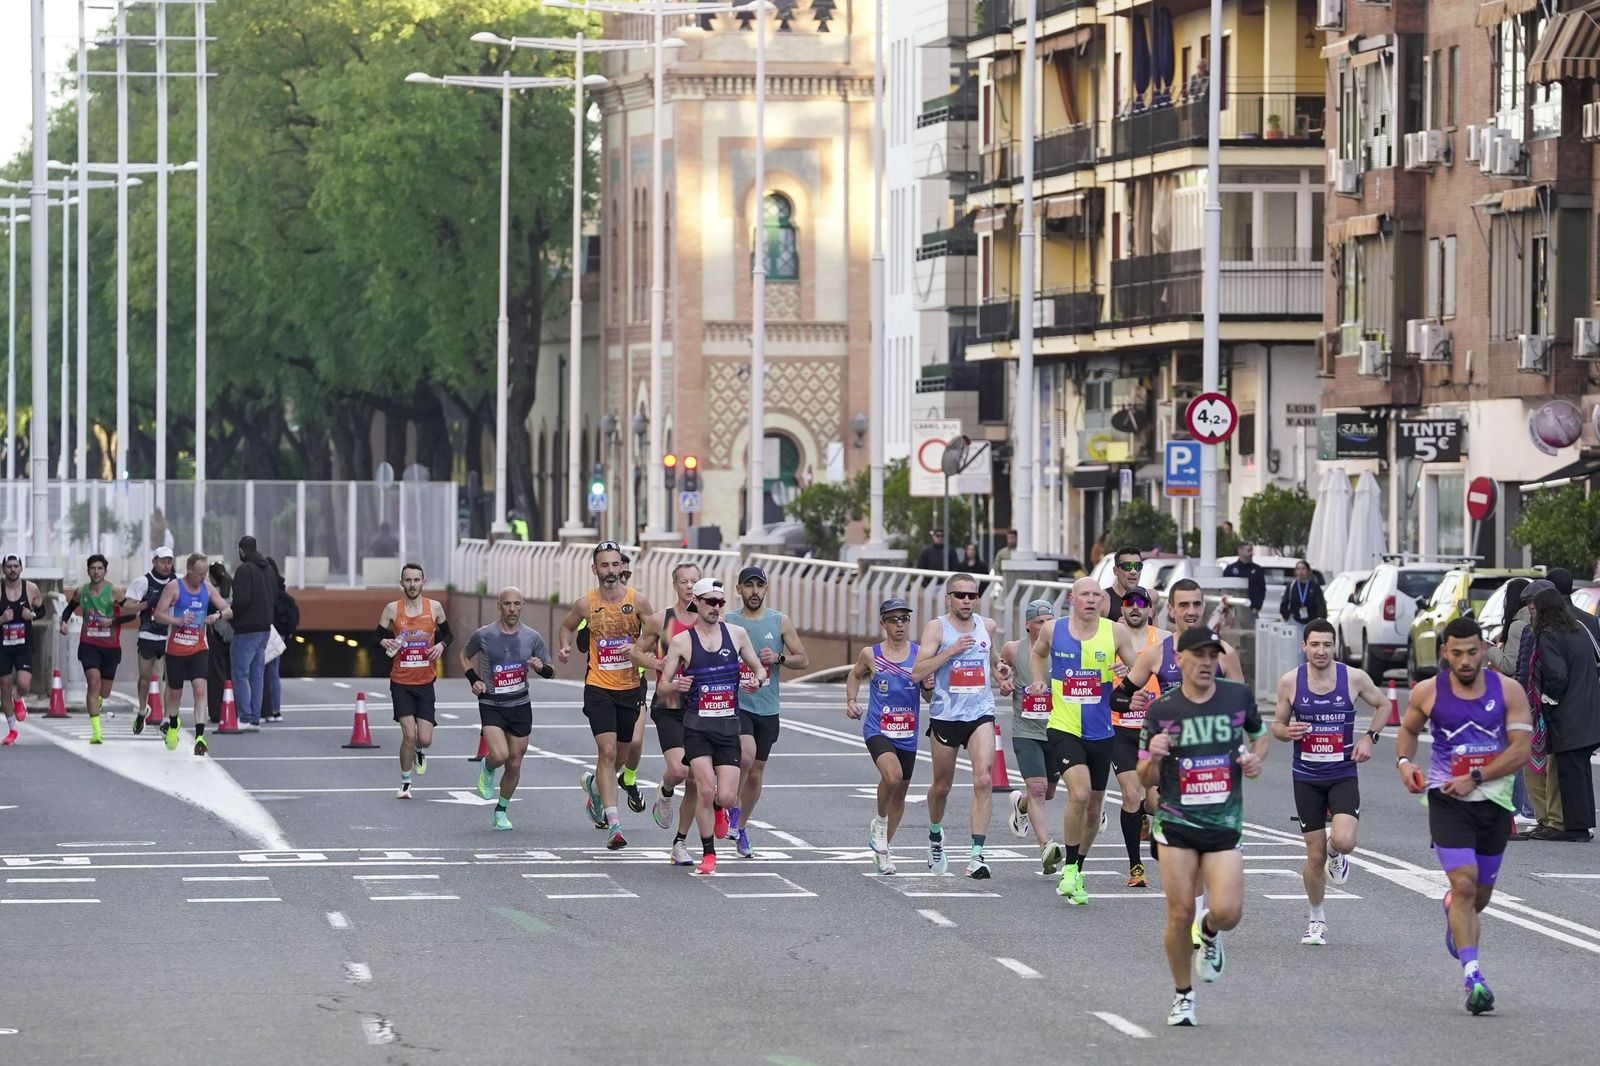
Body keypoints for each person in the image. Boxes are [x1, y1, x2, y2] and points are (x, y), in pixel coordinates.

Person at [1395, 617, 1533, 1015]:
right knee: (1465, 884)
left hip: (1494, 803)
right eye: (1457, 653)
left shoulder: (1508, 690)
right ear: (1445, 652)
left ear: (1484, 649)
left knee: (1479, 897)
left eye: (1473, 652)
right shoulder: (1428, 691)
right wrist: (1405, 762)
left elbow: (1521, 749)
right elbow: (1408, 730)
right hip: (1447, 800)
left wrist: (1476, 777)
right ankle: (1473, 977)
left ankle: (1453, 908)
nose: (1466, 660)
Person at [1138, 626, 1269, 1027]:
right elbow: (1144, 778)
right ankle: (1183, 995)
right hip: (1176, 823)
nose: (1207, 662)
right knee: (1179, 914)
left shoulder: (1237, 696)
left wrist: (1254, 759)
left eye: (1213, 655)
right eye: (1199, 655)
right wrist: (1153, 757)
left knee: (1227, 911)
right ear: (1180, 659)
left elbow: (1260, 737)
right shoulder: (1162, 710)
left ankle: (1209, 932)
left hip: (1223, 821)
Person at [1271, 619, 1389, 945]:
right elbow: (1277, 726)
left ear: (1334, 646)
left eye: (1327, 644)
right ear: (1304, 646)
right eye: (1315, 645)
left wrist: (1369, 738)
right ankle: (1316, 919)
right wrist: (1287, 731)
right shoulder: (1290, 682)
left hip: (1342, 773)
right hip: (1306, 776)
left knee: (1344, 841)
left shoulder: (1353, 678)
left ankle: (1337, 853)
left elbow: (1383, 705)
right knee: (1314, 857)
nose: (1321, 651)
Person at [1029, 577, 1140, 904]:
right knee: (1078, 793)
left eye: (1096, 595)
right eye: (1085, 595)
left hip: (1102, 731)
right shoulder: (1053, 629)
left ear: (1102, 601)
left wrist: (1126, 675)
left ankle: (1076, 869)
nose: (1091, 600)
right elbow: (1038, 655)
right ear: (1072, 599)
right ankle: (1068, 870)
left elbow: (1139, 669)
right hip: (1064, 726)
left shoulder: (1115, 632)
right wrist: (1038, 680)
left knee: (1094, 809)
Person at [657, 577, 766, 875]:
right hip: (697, 728)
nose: (716, 607)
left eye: (720, 602)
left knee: (727, 796)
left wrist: (757, 681)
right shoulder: (682, 641)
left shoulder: (737, 635)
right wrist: (675, 685)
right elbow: (662, 687)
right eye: (710, 602)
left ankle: (720, 809)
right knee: (705, 789)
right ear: (697, 602)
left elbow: (758, 668)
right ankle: (708, 854)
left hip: (728, 727)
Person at [912, 573, 1013, 879]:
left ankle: (977, 855)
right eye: (960, 595)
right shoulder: (936, 628)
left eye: (972, 595)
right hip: (946, 715)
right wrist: (950, 651)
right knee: (942, 786)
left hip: (979, 713)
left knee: (983, 779)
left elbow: (991, 657)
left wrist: (1000, 671)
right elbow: (917, 672)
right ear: (949, 598)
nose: (967, 601)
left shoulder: (987, 625)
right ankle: (935, 835)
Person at [557, 541, 654, 850]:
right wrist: (565, 645)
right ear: (594, 569)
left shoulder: (638, 602)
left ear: (621, 567)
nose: (610, 571)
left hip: (630, 687)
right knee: (608, 752)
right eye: (604, 565)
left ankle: (595, 788)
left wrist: (638, 650)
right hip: (599, 686)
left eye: (615, 564)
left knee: (621, 756)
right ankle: (615, 825)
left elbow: (655, 636)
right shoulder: (585, 603)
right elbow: (567, 626)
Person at [724, 564, 810, 858]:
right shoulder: (728, 622)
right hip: (737, 703)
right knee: (745, 755)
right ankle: (732, 809)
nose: (754, 591)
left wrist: (779, 657)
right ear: (739, 589)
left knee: (756, 772)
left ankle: (741, 826)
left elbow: (803, 660)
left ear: (766, 589)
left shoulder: (779, 621)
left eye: (759, 585)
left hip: (768, 706)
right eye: (748, 586)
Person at [846, 599, 934, 874]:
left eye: (904, 619)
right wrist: (851, 700)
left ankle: (883, 850)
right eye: (893, 619)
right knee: (892, 776)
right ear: (883, 623)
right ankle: (880, 823)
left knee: (900, 794)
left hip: (907, 733)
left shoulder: (920, 655)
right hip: (878, 729)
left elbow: (928, 697)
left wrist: (929, 687)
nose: (899, 624)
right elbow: (854, 675)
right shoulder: (871, 654)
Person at [460, 587, 554, 830]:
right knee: (500, 755)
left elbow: (551, 670)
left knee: (514, 763)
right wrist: (474, 680)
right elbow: (464, 656)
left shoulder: (532, 637)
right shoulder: (484, 634)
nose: (512, 609)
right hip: (491, 703)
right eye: (507, 604)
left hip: (520, 704)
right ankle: (488, 765)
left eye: (517, 604)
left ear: (523, 605)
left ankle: (501, 810)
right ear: (499, 605)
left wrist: (540, 667)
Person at [628, 561, 701, 855]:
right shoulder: (661, 620)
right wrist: (658, 664)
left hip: (701, 707)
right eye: (684, 581)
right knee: (679, 770)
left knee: (695, 779)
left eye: (694, 581)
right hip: (668, 704)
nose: (690, 587)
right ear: (675, 586)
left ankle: (680, 842)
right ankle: (666, 790)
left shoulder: (710, 621)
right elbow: (636, 652)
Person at [1527, 586, 1600, 842]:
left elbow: (1557, 674)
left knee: (1568, 771)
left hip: (1568, 713)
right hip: (1589, 709)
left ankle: (1574, 828)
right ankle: (1582, 824)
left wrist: (1549, 698)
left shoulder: (1548, 634)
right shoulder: (1578, 629)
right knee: (1580, 770)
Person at [1001, 600, 1068, 875]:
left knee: (1047, 792)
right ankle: (1046, 847)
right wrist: (1004, 681)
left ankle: (1021, 804)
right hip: (1025, 730)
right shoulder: (1013, 649)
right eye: (1040, 622)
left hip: (1056, 729)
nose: (1045, 626)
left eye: (1050, 621)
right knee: (1038, 788)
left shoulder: (1064, 648)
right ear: (1028, 624)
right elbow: (1002, 670)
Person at [375, 563, 452, 800]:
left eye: (416, 580)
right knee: (409, 734)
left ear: (423, 582)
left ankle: (419, 751)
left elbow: (449, 634)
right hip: (401, 681)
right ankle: (406, 782)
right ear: (401, 583)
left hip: (425, 681)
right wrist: (384, 641)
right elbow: (377, 635)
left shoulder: (434, 607)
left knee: (424, 739)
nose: (412, 585)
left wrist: (441, 645)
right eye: (408, 580)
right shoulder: (392, 609)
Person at [1108, 587, 1163, 888]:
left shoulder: (1164, 641)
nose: (1135, 608)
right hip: (1120, 729)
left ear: (1151, 610)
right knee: (1130, 795)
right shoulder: (1110, 639)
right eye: (1129, 603)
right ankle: (1135, 867)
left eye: (1142, 603)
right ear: (1122, 609)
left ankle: (1145, 813)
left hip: (1154, 730)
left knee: (1154, 802)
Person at [153, 552, 233, 755]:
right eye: (199, 573)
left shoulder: (207, 588)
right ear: (189, 570)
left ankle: (199, 737)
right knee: (175, 693)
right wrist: (177, 621)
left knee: (199, 690)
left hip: (199, 647)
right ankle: (173, 725)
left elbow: (229, 610)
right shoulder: (174, 587)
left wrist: (217, 615)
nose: (202, 577)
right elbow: (158, 615)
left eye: (205, 573)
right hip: (176, 648)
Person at [1512, 579, 1563, 835]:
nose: (1531, 606)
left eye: (1535, 602)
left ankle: (1553, 819)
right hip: (1529, 707)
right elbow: (1521, 670)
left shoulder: (1557, 633)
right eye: (1528, 603)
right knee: (1530, 765)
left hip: (1549, 708)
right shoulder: (1527, 632)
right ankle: (1542, 817)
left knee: (1549, 766)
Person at [59, 554, 124, 745]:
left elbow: (130, 615)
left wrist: (112, 620)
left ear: (105, 571)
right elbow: (69, 609)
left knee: (105, 692)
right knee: (93, 682)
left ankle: (99, 699)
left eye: (100, 568)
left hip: (111, 647)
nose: (96, 572)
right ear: (88, 571)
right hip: (89, 644)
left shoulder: (115, 592)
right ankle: (96, 732)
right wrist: (63, 622)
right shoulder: (82, 591)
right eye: (93, 568)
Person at [122, 546, 177, 735]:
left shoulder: (177, 582)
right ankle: (142, 710)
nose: (166, 565)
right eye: (162, 561)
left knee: (171, 680)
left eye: (169, 561)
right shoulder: (143, 582)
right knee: (144, 679)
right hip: (148, 635)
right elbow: (127, 607)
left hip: (170, 636)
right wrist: (147, 603)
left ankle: (166, 718)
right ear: (154, 562)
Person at [230, 535, 279, 728]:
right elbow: (275, 597)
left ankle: (245, 716)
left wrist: (233, 619)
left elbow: (240, 601)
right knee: (257, 675)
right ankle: (255, 716)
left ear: (241, 550)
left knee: (240, 674)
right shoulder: (269, 570)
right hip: (264, 629)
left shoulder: (244, 570)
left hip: (246, 629)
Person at [0, 554, 43, 746]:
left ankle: (18, 698)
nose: (12, 570)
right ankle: (12, 730)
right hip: (3, 646)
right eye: (9, 566)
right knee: (4, 686)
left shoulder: (31, 588)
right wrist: (2, 619)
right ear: (3, 569)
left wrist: (32, 615)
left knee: (24, 684)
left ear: (21, 568)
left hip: (23, 645)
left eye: (15, 566)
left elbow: (42, 610)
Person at [263, 559, 298, 723]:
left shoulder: (265, 589)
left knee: (262, 672)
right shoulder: (281, 590)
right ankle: (275, 709)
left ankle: (265, 708)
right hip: (280, 635)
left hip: (268, 632)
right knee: (274, 671)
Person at [1097, 545, 1143, 622]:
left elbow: (1156, 629)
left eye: (1137, 566)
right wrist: (1116, 627)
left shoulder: (1150, 598)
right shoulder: (1103, 600)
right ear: (1115, 571)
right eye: (1127, 566)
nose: (1133, 571)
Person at [1222, 543, 1266, 614]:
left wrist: (1257, 606)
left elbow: (1261, 589)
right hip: (1233, 609)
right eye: (1249, 551)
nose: (1251, 553)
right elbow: (1225, 589)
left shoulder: (1257, 569)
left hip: (1251, 609)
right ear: (1240, 551)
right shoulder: (1230, 569)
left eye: (1252, 551)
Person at [1280, 560, 1327, 625]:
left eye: (1303, 569)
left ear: (1308, 571)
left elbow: (1320, 605)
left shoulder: (1314, 586)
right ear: (1295, 571)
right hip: (1295, 621)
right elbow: (1284, 604)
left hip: (1311, 622)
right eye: (1298, 569)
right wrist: (1287, 614)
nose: (1301, 571)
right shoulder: (1292, 586)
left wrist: (1318, 620)